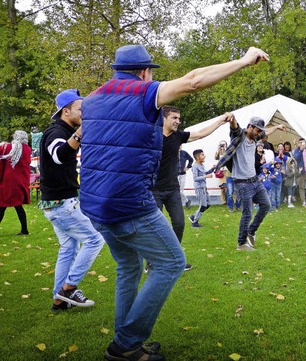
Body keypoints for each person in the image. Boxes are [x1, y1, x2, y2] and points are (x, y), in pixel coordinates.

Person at [80, 44, 270, 360]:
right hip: (130, 204)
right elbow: (194, 80)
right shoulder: (142, 91)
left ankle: (125, 343)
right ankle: (127, 343)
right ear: (144, 72)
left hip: (95, 205)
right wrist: (244, 60)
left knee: (129, 266)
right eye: (150, 72)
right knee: (172, 263)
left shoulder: (92, 99)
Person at [39, 89, 105, 311]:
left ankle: (59, 301)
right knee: (95, 239)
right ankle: (68, 289)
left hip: (59, 204)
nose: (84, 113)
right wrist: (81, 132)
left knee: (68, 249)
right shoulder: (55, 132)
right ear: (65, 111)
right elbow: (59, 155)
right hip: (61, 205)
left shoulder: (65, 130)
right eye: (80, 109)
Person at [152, 106, 230, 271]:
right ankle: (152, 261)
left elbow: (201, 133)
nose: (178, 122)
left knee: (179, 223)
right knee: (155, 228)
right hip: (154, 190)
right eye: (174, 118)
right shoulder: (152, 135)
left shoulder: (178, 136)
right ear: (164, 119)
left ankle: (175, 259)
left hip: (172, 189)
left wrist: (220, 121)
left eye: (179, 119)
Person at [213, 116, 284, 251]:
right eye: (257, 130)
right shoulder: (239, 136)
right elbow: (234, 127)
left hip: (255, 180)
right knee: (247, 213)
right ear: (250, 126)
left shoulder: (255, 137)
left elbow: (266, 132)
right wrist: (232, 119)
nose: (259, 134)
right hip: (242, 183)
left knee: (266, 205)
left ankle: (251, 231)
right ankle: (241, 243)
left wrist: (277, 127)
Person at [0, 130, 31, 236]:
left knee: (2, 205)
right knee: (18, 206)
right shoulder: (27, 149)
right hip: (20, 182)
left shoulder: (9, 147)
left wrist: (3, 144)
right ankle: (24, 230)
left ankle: (25, 230)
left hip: (8, 181)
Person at [188, 149, 214, 228]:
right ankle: (195, 222)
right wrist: (206, 176)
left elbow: (204, 173)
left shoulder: (202, 165)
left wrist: (211, 170)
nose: (204, 156)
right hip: (199, 188)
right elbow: (195, 178)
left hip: (204, 187)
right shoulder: (195, 167)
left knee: (208, 204)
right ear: (198, 157)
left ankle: (193, 216)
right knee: (203, 205)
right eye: (202, 155)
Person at [215, 140, 240, 212]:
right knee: (229, 192)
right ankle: (230, 207)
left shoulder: (235, 155)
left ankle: (237, 206)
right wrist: (219, 150)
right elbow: (218, 158)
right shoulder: (224, 154)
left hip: (236, 175)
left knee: (237, 192)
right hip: (228, 174)